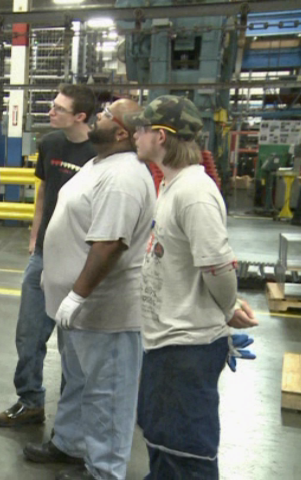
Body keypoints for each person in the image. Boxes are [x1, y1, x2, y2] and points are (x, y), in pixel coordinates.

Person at [23, 99, 154, 480]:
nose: (98, 115)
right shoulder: (100, 164)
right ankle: (70, 443)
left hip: (104, 310)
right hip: (77, 308)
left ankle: (104, 471)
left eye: (106, 114)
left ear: (121, 132)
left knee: (108, 394)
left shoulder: (124, 176)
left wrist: (78, 294)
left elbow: (110, 243)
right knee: (79, 381)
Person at [132, 95, 258, 479]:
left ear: (162, 137)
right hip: (165, 343)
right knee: (161, 443)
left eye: (142, 129)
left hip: (184, 348)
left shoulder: (194, 193)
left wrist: (224, 310)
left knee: (185, 456)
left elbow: (218, 267)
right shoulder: (172, 185)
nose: (136, 135)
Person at [0, 84, 97, 428]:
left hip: (82, 258)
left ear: (81, 117)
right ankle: (30, 400)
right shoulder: (51, 143)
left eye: (58, 109)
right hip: (43, 255)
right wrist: (35, 234)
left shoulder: (101, 152)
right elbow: (43, 193)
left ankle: (72, 415)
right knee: (28, 334)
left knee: (74, 344)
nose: (50, 113)